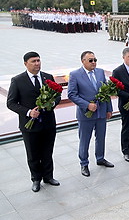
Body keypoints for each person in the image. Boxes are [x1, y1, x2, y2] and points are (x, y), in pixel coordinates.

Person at [7, 52, 61, 192]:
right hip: (29, 125)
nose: (37, 63)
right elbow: (11, 103)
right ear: (26, 63)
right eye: (33, 61)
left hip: (48, 123)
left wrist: (51, 104)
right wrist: (28, 112)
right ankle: (36, 178)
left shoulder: (47, 77)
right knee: (33, 154)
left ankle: (48, 176)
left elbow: (57, 96)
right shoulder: (17, 80)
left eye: (38, 60)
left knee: (47, 151)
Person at [68, 51, 114, 177]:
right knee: (85, 139)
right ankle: (84, 163)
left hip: (101, 112)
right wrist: (87, 105)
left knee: (101, 137)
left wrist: (109, 109)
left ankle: (100, 158)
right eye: (90, 60)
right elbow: (71, 94)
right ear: (83, 61)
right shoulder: (75, 75)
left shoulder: (100, 72)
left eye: (95, 60)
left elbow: (106, 91)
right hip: (86, 114)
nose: (94, 62)